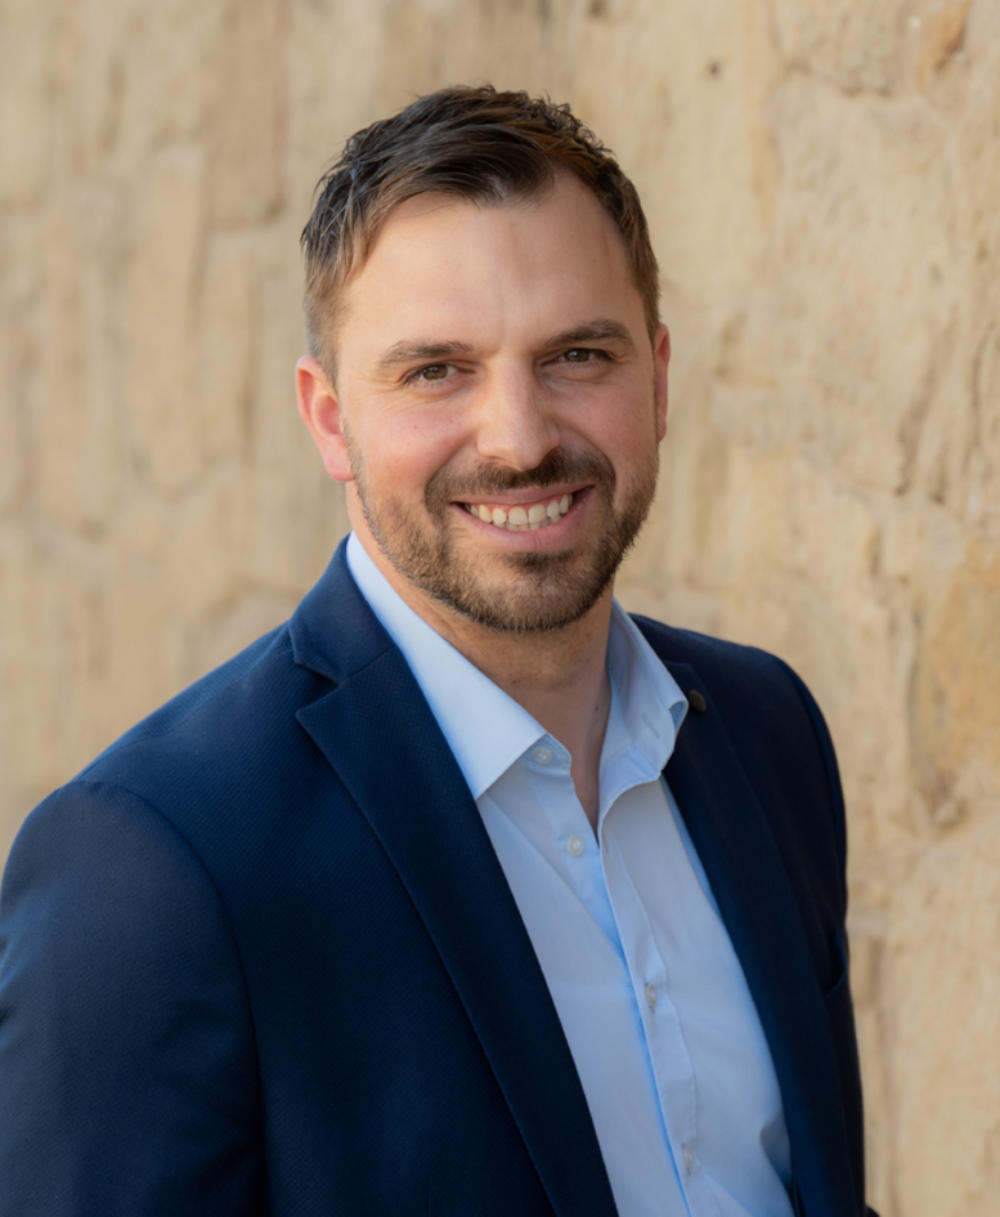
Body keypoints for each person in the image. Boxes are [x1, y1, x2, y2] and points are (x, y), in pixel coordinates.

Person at [0, 86, 876, 1217]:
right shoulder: (156, 865)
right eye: (435, 371)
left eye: (577, 354)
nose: (519, 437)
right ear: (329, 419)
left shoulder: (765, 733)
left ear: (658, 380)